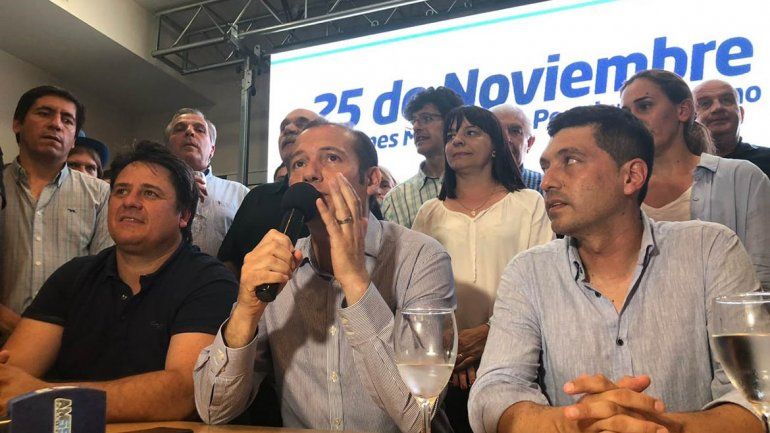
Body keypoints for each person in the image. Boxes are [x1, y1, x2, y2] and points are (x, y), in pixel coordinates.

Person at [468, 104, 763, 433]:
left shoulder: (711, 249)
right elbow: (495, 390)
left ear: (631, 176)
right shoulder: (529, 272)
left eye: (571, 161)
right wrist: (573, 423)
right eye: (546, 167)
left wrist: (664, 428)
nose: (547, 182)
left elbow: (756, 394)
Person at [194, 120, 456, 433]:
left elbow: (417, 417)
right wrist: (246, 310)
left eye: (331, 158)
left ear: (371, 179)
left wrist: (356, 281)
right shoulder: (278, 268)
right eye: (298, 163)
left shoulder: (422, 257)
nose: (310, 173)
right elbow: (215, 410)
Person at [0, 141, 238, 421]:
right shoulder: (73, 275)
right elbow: (12, 375)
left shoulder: (210, 282)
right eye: (121, 191)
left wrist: (47, 397)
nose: (129, 202)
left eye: (149, 193)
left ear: (184, 215)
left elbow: (183, 392)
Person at [412, 106, 551, 433]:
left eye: (471, 132)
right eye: (451, 136)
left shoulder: (530, 203)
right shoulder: (429, 213)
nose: (457, 141)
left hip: (516, 356)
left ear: (496, 146)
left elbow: (541, 283)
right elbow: (416, 292)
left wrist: (489, 336)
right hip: (445, 366)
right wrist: (453, 348)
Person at [620, 69, 770, 288]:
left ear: (683, 110)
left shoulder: (742, 177)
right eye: (626, 113)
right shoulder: (617, 188)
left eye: (644, 106)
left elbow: (761, 277)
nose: (633, 120)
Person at [1, 86, 112, 334]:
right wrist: (20, 330)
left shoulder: (100, 194)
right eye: (44, 113)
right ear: (17, 124)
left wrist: (47, 338)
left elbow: (104, 275)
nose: (56, 124)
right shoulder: (2, 186)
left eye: (67, 120)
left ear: (74, 140)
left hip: (70, 339)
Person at [218, 108, 320, 276]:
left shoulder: (336, 197)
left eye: (302, 124)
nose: (288, 129)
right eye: (283, 127)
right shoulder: (257, 196)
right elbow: (229, 259)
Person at [165, 108, 249, 257]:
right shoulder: (148, 191)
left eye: (199, 130)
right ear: (167, 147)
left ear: (212, 150)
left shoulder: (240, 194)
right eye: (180, 129)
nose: (189, 132)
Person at [381, 86, 463, 228]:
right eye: (414, 121)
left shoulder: (478, 180)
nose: (416, 127)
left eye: (426, 118)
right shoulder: (396, 199)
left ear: (452, 123)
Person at [692, 79, 770, 177]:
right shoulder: (680, 167)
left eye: (726, 100)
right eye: (705, 103)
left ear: (741, 114)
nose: (718, 107)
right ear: (691, 118)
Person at [491, 104, 543, 193]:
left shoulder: (544, 187)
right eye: (496, 131)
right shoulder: (467, 184)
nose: (505, 139)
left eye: (515, 131)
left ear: (529, 143)